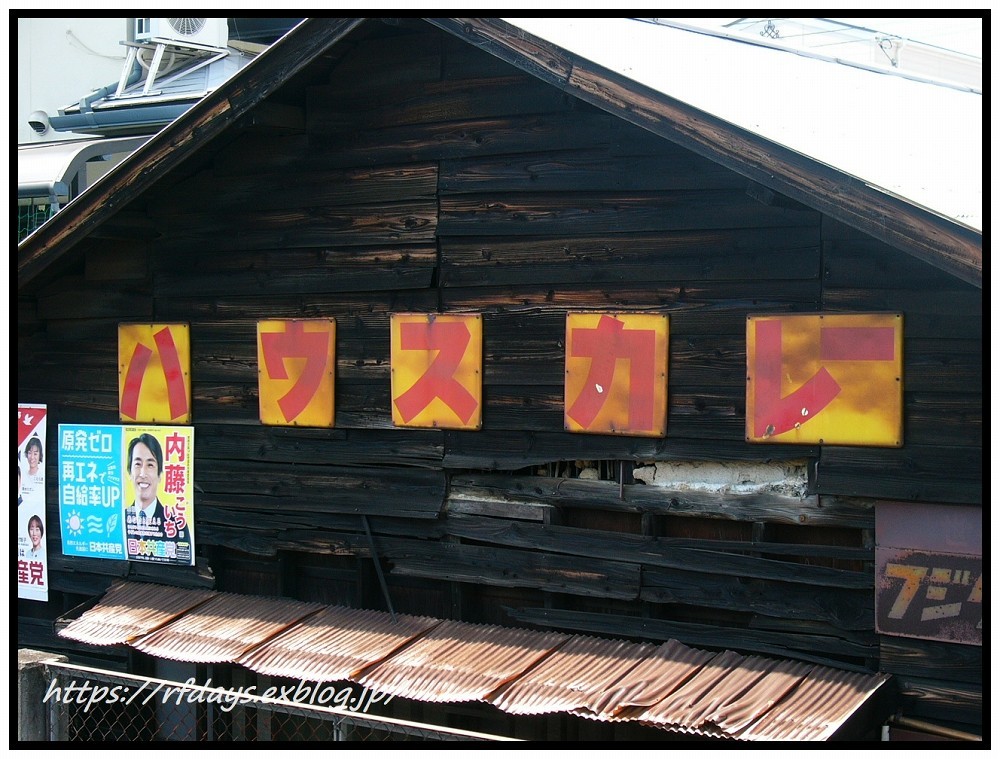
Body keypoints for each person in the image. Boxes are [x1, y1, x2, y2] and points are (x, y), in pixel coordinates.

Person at [125, 433, 189, 563]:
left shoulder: (178, 525)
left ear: (160, 475)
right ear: (129, 473)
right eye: (137, 464)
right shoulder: (118, 520)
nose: (142, 474)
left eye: (150, 465)